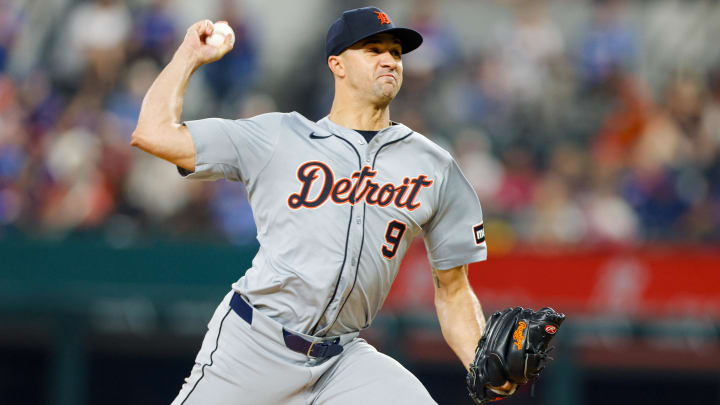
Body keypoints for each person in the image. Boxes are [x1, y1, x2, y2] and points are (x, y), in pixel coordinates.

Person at [131, 7, 514, 404]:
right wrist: (189, 55)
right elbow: (153, 133)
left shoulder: (434, 166)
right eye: (373, 49)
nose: (389, 60)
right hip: (254, 345)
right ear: (337, 64)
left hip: (342, 360)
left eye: (396, 53)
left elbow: (453, 291)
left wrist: (481, 363)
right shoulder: (278, 136)